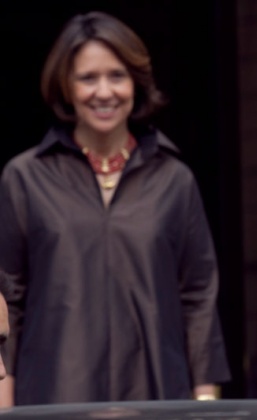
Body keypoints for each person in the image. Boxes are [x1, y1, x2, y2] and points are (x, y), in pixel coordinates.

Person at [0, 11, 230, 405]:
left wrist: (205, 403)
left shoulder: (174, 179)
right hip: (54, 396)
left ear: (136, 84)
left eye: (117, 76)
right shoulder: (24, 178)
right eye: (88, 78)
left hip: (157, 395)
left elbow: (199, 297)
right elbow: (7, 301)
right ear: (65, 86)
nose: (104, 92)